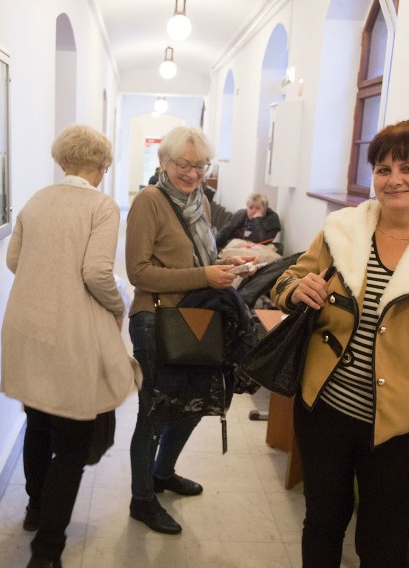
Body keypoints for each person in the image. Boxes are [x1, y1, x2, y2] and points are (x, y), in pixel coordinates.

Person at [270, 119, 409, 567]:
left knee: (383, 545)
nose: (394, 180)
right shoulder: (342, 231)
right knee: (322, 525)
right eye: (383, 169)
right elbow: (287, 280)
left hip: (402, 432)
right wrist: (295, 290)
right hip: (325, 413)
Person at [1, 124, 139, 568]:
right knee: (73, 444)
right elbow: (98, 273)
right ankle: (46, 554)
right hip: (71, 336)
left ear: (61, 162)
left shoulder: (36, 201)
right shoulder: (101, 206)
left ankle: (34, 510)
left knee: (38, 423)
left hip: (28, 329)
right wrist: (118, 306)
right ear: (103, 166)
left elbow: (13, 260)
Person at [126, 125, 253, 535]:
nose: (193, 173)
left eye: (200, 166)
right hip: (156, 319)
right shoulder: (149, 201)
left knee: (193, 403)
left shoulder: (199, 202)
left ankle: (163, 473)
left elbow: (202, 257)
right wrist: (204, 275)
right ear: (163, 162)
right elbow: (139, 272)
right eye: (184, 164)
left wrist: (224, 268)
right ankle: (142, 499)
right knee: (155, 413)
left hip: (196, 316)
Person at [214, 192, 282, 250]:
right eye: (251, 208)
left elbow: (261, 241)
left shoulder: (272, 219)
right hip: (234, 245)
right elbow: (225, 232)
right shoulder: (241, 214)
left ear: (265, 209)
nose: (253, 211)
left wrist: (257, 220)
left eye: (258, 208)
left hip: (256, 249)